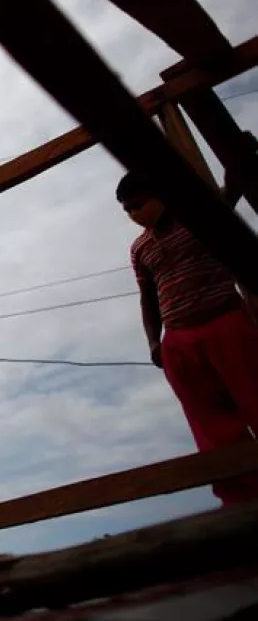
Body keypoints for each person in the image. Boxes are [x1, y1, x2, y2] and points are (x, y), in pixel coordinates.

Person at [118, 171, 258, 505]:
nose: (133, 215)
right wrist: (155, 342)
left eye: (137, 205)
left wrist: (235, 175)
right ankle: (241, 499)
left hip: (223, 320)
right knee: (212, 429)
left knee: (254, 397)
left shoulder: (194, 217)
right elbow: (147, 297)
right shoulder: (140, 248)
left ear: (158, 196)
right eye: (126, 210)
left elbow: (223, 201)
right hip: (180, 340)